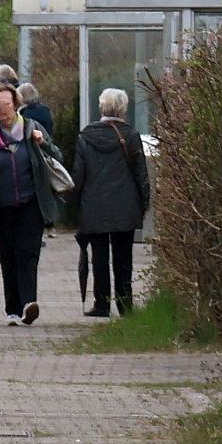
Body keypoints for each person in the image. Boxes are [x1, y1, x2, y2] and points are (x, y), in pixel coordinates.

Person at [0, 83, 62, 326]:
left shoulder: (33, 130)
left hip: (30, 202)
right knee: (8, 256)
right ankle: (12, 309)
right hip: (1, 206)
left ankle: (28, 303)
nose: (3, 111)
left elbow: (58, 157)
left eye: (7, 105)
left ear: (15, 105)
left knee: (28, 252)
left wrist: (43, 143)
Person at [73, 87, 151, 317]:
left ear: (101, 107)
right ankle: (125, 304)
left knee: (99, 256)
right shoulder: (130, 135)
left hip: (93, 203)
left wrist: (75, 204)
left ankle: (102, 303)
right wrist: (144, 203)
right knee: (123, 255)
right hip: (125, 203)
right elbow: (140, 173)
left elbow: (78, 174)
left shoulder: (85, 136)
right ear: (123, 108)